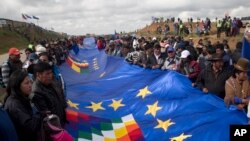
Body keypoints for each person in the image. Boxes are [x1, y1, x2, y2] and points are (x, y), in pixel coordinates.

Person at [4, 70, 43, 141]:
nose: (30, 85)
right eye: (26, 83)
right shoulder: (15, 104)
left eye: (30, 82)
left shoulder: (22, 97)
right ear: (17, 86)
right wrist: (39, 113)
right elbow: (31, 127)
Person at [32, 62, 68, 127]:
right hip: (53, 126)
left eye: (51, 72)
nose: (50, 75)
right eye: (47, 73)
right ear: (38, 75)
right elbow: (46, 114)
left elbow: (61, 94)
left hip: (61, 119)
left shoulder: (52, 82)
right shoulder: (37, 92)